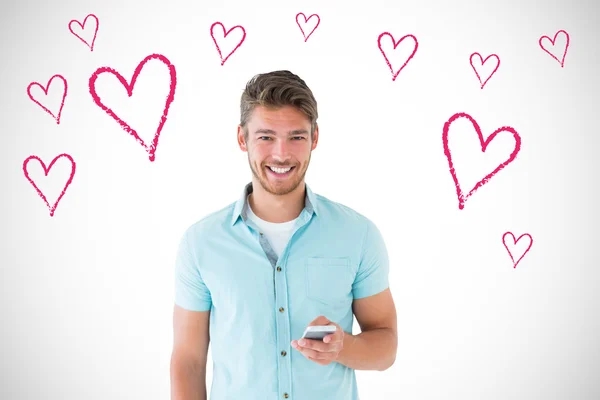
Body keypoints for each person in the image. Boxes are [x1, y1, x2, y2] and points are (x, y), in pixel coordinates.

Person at [170, 70, 397, 400]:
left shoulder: (358, 235)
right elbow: (188, 362)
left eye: (296, 137)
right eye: (265, 137)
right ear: (241, 138)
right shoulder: (200, 243)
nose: (281, 154)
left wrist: (343, 347)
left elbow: (386, 346)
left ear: (315, 138)